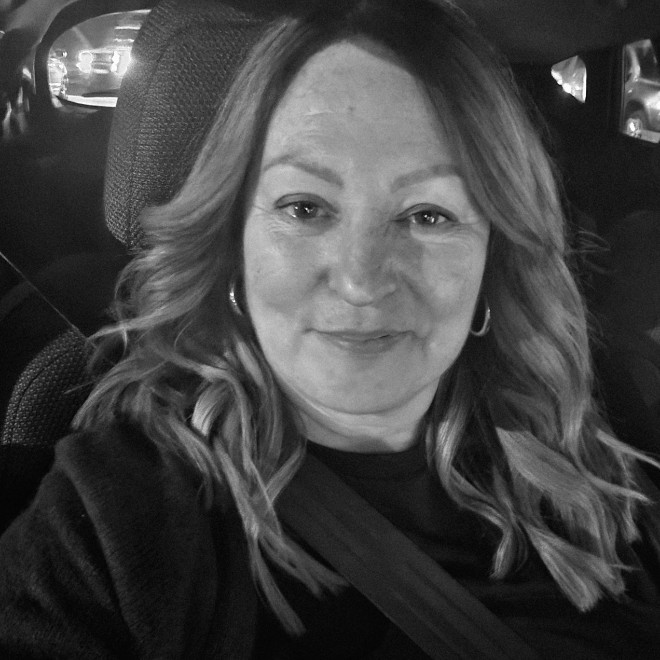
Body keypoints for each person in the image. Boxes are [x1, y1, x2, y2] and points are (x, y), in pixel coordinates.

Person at [1, 0, 660, 656]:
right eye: (305, 207)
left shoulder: (597, 455)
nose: (360, 281)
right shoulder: (115, 522)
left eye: (428, 215)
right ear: (234, 243)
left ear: (494, 257)